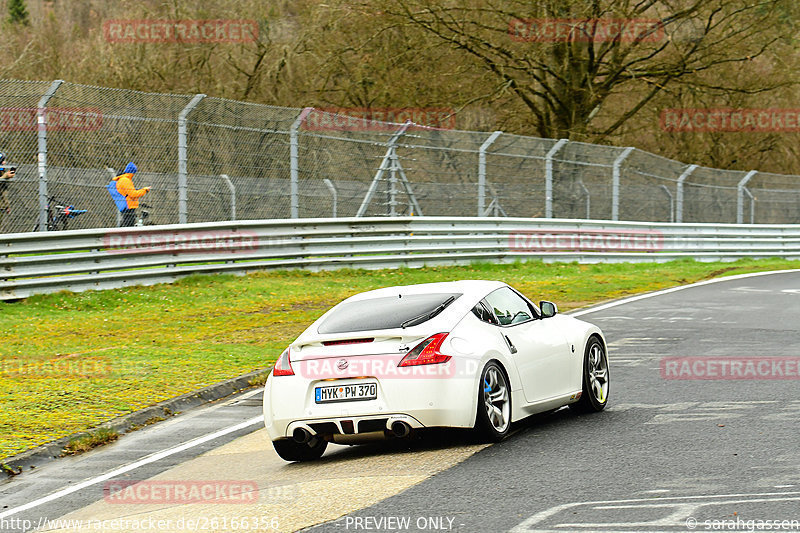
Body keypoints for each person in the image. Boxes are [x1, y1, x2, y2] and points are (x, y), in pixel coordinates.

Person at [112, 162, 150, 227]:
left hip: (126, 205)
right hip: (128, 206)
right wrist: (145, 190)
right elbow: (133, 194)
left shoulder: (123, 180)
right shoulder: (125, 180)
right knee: (129, 225)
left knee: (127, 224)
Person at [0, 153, 15, 231]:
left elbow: (3, 191)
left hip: (1, 205)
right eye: (2, 161)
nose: (4, 163)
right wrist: (4, 177)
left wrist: (7, 205)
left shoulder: (2, 171)